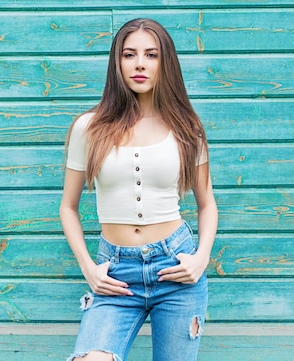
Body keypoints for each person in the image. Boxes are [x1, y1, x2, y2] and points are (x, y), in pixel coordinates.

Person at [59, 18, 218, 361]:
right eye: (129, 54)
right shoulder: (89, 127)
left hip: (176, 267)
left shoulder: (187, 129)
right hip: (115, 273)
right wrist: (88, 267)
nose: (140, 64)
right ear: (117, 63)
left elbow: (207, 205)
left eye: (152, 55)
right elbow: (68, 207)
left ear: (166, 63)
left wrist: (200, 259)